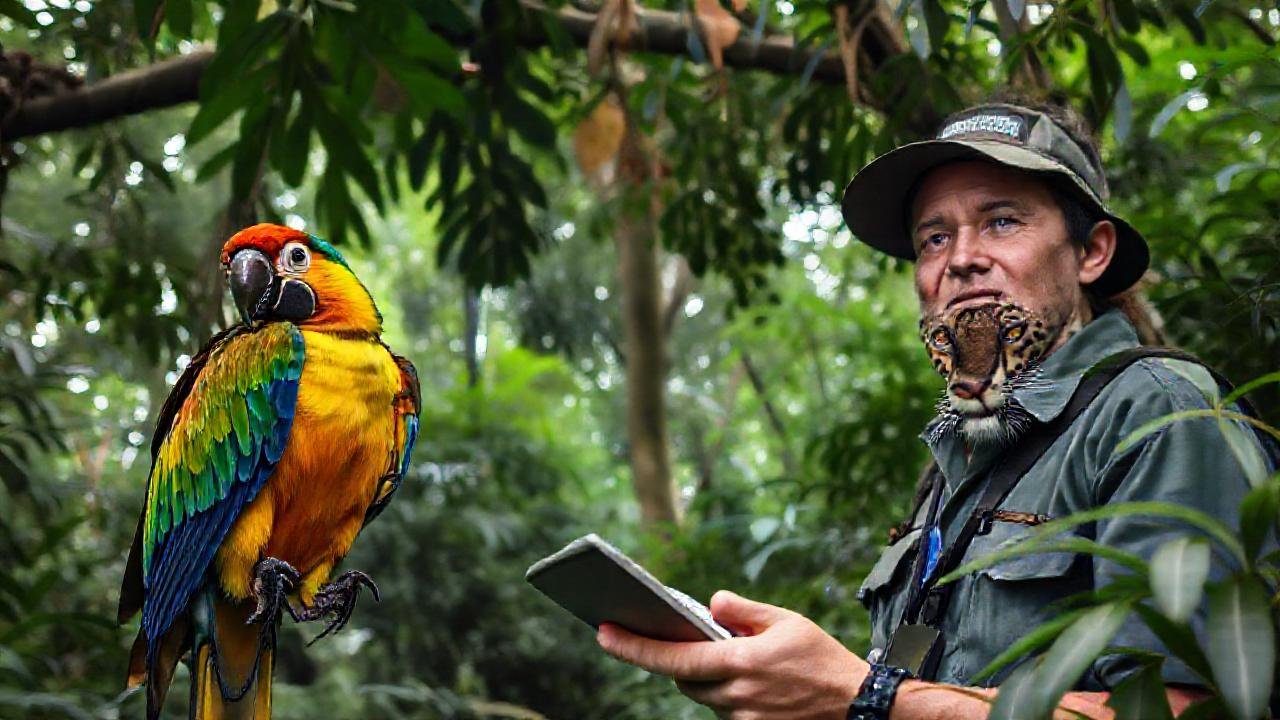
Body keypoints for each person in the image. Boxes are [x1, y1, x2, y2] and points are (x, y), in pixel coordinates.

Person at [596, 98, 1278, 719]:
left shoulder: (1159, 415)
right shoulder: (959, 463)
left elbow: (1188, 711)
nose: (961, 260)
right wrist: (803, 687)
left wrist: (861, 695)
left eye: (1002, 221)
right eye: (934, 238)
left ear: (1091, 252)